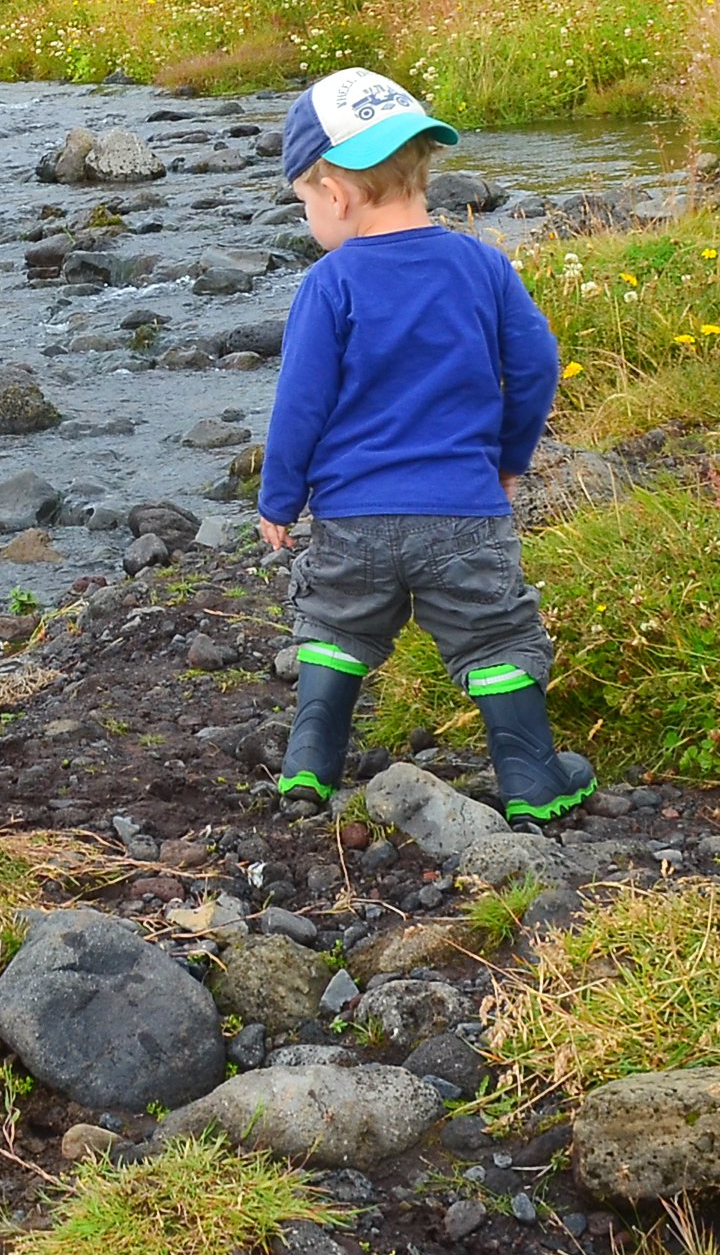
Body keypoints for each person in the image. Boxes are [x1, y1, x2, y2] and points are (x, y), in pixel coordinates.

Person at [253, 67, 595, 826]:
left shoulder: (329, 284)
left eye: (306, 201)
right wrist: (509, 460)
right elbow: (536, 365)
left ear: (334, 195)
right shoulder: (482, 265)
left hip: (353, 520)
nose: (311, 215)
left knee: (338, 623)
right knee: (496, 631)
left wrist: (280, 498)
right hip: (463, 516)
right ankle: (532, 776)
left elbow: (300, 404)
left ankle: (309, 767)